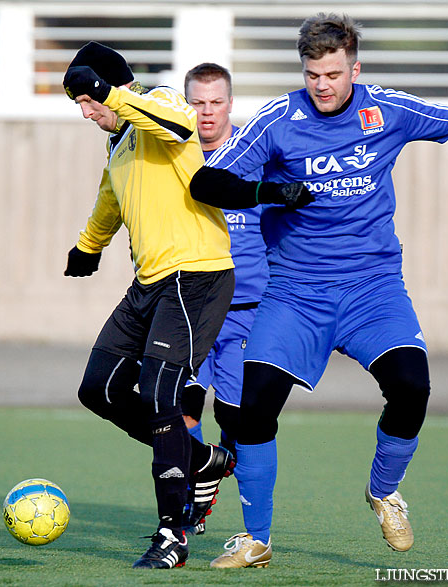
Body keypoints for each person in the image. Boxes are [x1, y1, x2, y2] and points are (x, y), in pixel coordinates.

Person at [189, 13, 448, 568]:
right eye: (312, 74)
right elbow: (206, 181)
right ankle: (255, 537)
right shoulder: (276, 120)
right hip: (295, 293)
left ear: (354, 68)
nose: (322, 85)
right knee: (253, 409)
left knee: (411, 386)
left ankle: (383, 491)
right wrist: (269, 190)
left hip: (371, 288)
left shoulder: (388, 110)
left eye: (332, 73)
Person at [61, 42, 309, 569]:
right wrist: (89, 245)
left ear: (112, 87)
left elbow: (176, 126)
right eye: (78, 104)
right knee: (97, 389)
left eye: (87, 99)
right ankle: (200, 459)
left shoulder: (165, 104)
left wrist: (113, 93)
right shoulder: (120, 142)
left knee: (159, 396)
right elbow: (111, 196)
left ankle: (173, 533)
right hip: (149, 284)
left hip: (196, 278)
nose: (85, 112)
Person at [180, 63, 268, 535]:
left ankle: (231, 481)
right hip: (192, 310)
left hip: (246, 312)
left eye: (216, 102)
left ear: (230, 103)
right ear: (186, 102)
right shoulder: (177, 156)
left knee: (234, 418)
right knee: (180, 407)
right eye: (198, 102)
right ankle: (193, 491)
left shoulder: (254, 155)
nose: (207, 112)